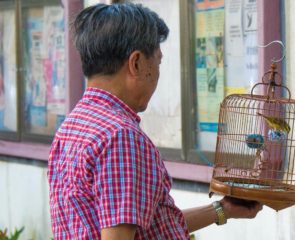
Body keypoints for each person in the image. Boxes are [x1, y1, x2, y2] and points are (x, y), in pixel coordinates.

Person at [47, 3, 263, 240]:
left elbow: (148, 226)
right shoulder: (120, 136)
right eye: (158, 62)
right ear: (136, 63)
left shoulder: (72, 126)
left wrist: (223, 209)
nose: (158, 74)